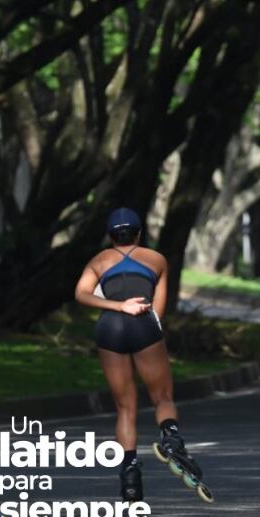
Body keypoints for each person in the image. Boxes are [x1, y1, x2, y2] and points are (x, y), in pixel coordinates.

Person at [74, 207, 205, 502]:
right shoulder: (156, 259)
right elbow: (159, 308)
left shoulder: (99, 261)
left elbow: (81, 294)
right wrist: (145, 325)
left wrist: (117, 306)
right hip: (144, 323)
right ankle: (172, 441)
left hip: (109, 328)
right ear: (139, 234)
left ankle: (130, 476)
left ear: (110, 236)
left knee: (125, 408)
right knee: (162, 397)